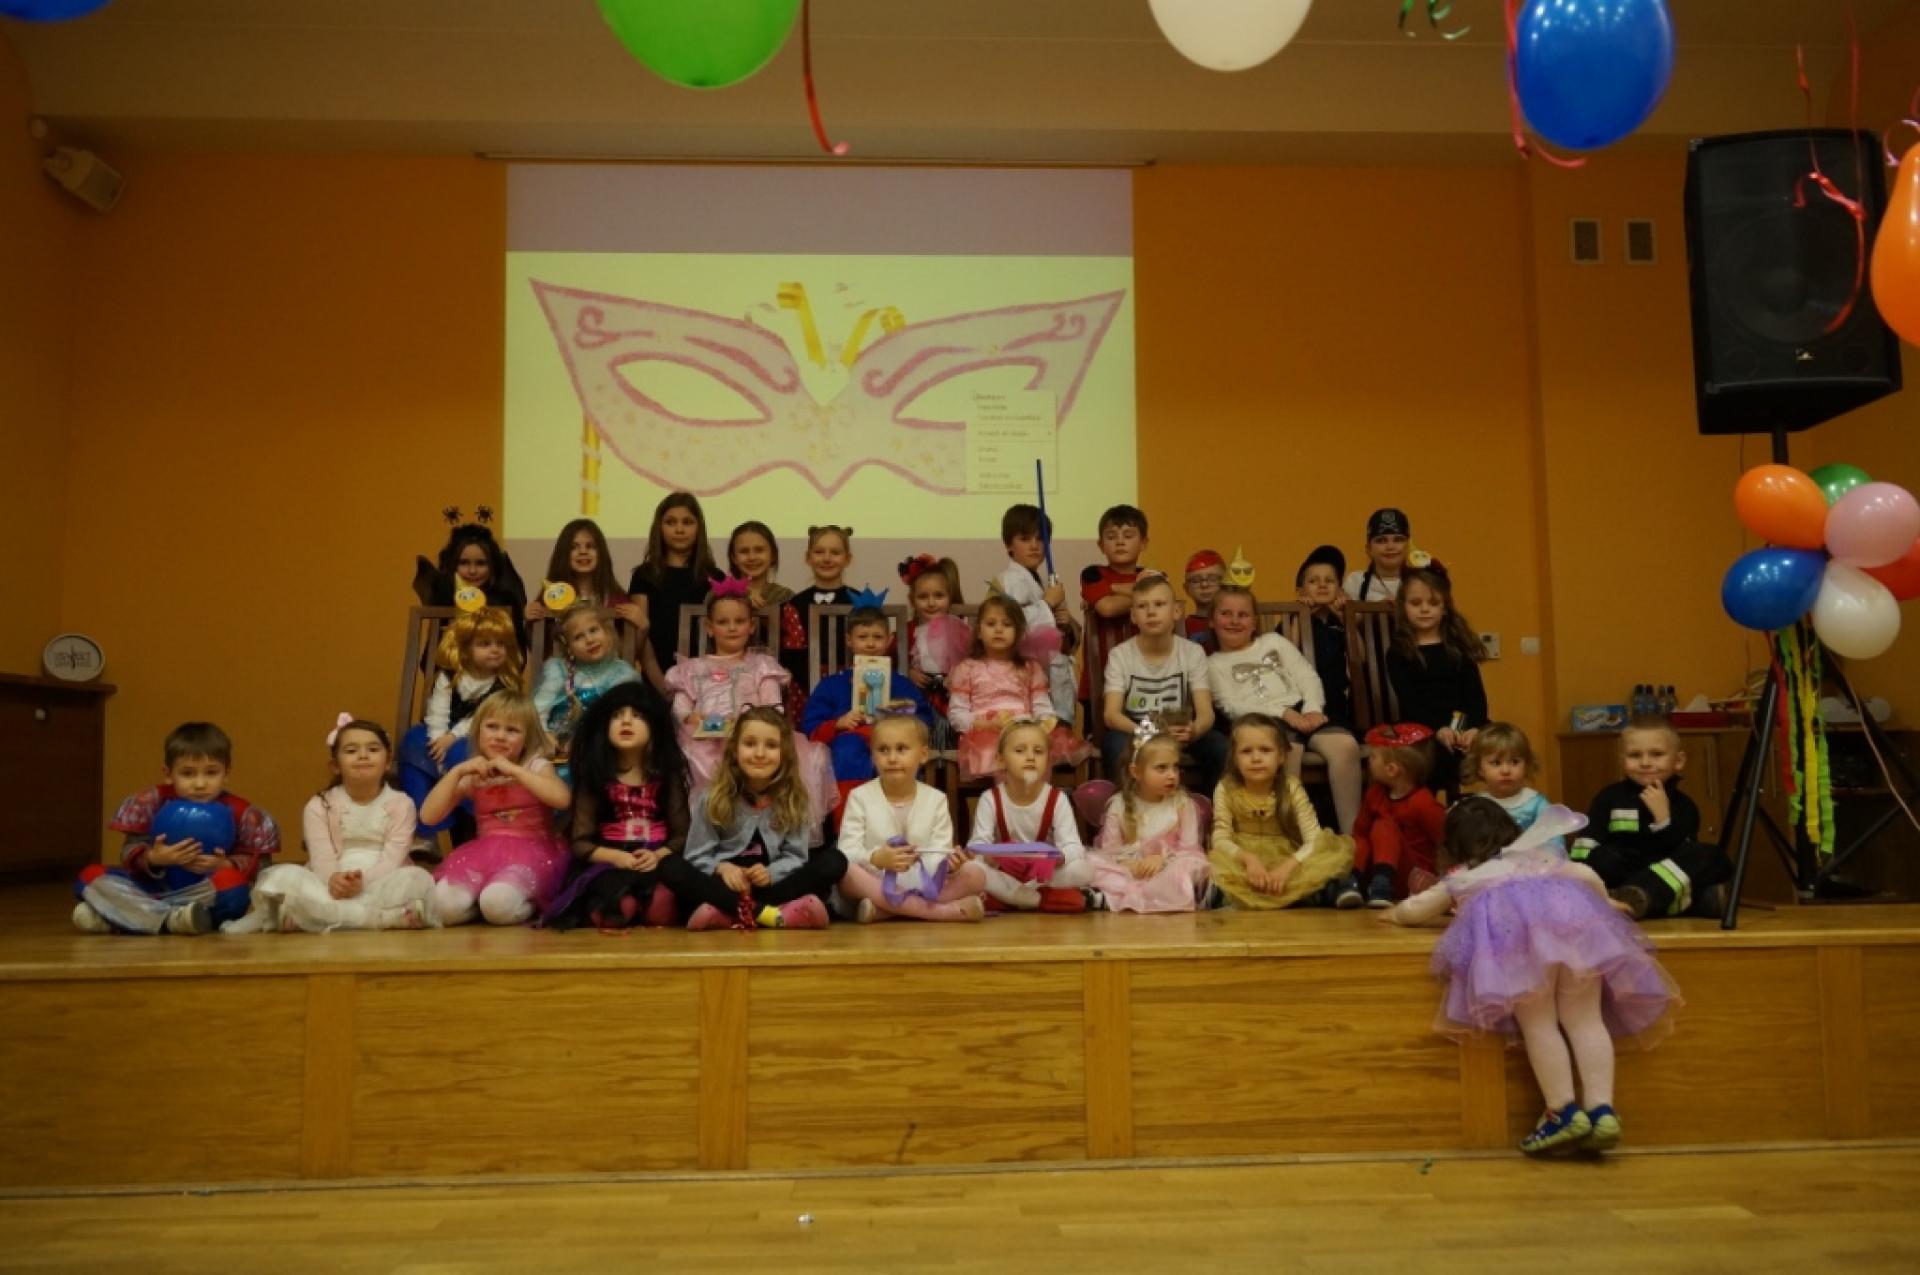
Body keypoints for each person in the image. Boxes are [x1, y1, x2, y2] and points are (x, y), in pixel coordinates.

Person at [1385, 798, 1680, 1156]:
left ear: (1455, 845)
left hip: (1522, 953)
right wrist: (1604, 902)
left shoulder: (1467, 877)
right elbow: (1586, 875)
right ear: (1511, 828)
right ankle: (1602, 1109)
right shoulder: (1545, 858)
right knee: (1586, 1021)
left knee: (1539, 1024)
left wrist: (1393, 915)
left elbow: (1416, 910)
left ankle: (1562, 1112)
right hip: (1578, 940)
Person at [224, 716, 433, 933]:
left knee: (415, 879)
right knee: (285, 877)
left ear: (388, 761)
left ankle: (309, 918)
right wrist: (333, 879)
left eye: (373, 749)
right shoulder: (319, 805)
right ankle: (387, 918)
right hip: (333, 879)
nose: (363, 755)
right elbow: (321, 855)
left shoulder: (402, 804)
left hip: (384, 878)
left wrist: (363, 881)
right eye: (351, 751)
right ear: (335, 765)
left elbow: (393, 857)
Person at [73, 722, 280, 935]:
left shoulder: (242, 812)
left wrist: (225, 864)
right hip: (153, 889)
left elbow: (261, 866)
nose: (200, 784)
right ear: (168, 773)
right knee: (90, 877)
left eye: (211, 773)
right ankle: (171, 920)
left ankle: (122, 918)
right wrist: (154, 857)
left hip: (204, 891)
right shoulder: (151, 803)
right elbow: (129, 851)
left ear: (226, 773)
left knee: (234, 886)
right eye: (188, 774)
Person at [655, 707, 844, 930]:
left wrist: (771, 873)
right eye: (750, 744)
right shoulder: (712, 797)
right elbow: (697, 855)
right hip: (724, 885)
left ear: (784, 753)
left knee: (835, 861)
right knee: (669, 866)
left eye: (771, 746)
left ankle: (730, 913)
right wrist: (722, 868)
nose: (760, 754)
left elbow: (796, 856)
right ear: (735, 750)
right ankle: (765, 913)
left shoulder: (794, 799)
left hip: (770, 884)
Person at [668, 584, 833, 822]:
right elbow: (680, 704)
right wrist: (690, 716)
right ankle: (715, 820)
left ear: (751, 625)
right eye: (723, 622)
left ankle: (765, 821)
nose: (732, 627)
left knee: (802, 756)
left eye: (739, 621)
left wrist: (752, 723)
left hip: (753, 735)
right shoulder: (692, 668)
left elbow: (773, 706)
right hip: (705, 737)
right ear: (709, 628)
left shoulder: (761, 666)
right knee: (696, 756)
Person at [1206, 584, 1362, 833]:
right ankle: (1292, 834)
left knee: (1345, 746)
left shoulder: (1274, 642)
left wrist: (1312, 708)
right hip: (1262, 721)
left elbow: (1307, 676)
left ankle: (1352, 835)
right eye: (1226, 614)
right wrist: (1283, 713)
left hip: (1303, 710)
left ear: (1254, 622)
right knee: (1285, 752)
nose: (1234, 621)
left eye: (1243, 615)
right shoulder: (1212, 664)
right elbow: (1230, 706)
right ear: (1212, 621)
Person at [541, 683, 691, 931]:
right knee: (617, 907)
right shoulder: (596, 775)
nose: (626, 721)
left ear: (655, 728)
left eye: (637, 716)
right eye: (617, 716)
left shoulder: (667, 775)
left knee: (662, 907)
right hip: (609, 860)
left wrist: (658, 855)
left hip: (655, 859)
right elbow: (580, 842)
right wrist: (617, 857)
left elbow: (682, 833)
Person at [422, 692, 572, 927]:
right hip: (482, 854)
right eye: (492, 727)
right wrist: (457, 772)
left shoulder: (535, 766)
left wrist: (516, 771)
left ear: (527, 738)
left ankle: (531, 904)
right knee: (442, 906)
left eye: (512, 730)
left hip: (532, 855)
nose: (500, 736)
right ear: (478, 731)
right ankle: (478, 907)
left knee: (497, 905)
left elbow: (562, 799)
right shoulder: (473, 775)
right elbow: (428, 816)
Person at [1570, 716, 1733, 920]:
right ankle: (1687, 902)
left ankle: (1635, 898)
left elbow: (1683, 853)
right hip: (1620, 873)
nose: (1645, 763)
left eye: (1657, 754)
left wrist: (1663, 819)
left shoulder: (1684, 805)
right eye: (1634, 755)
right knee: (1604, 857)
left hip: (1662, 877)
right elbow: (1587, 842)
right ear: (1622, 760)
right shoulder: (1609, 797)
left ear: (1679, 761)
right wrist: (1576, 881)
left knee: (1713, 856)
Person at [836, 715, 990, 923]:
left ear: (923, 755)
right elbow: (847, 851)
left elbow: (939, 850)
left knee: (976, 873)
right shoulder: (859, 796)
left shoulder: (936, 799)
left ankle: (886, 910)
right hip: (875, 879)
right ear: (872, 755)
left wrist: (948, 864)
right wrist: (875, 858)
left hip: (921, 882)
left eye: (901, 749)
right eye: (883, 750)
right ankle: (944, 912)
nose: (892, 758)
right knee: (846, 873)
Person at [397, 607, 524, 835]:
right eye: (485, 644)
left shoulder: (503, 684)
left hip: (477, 736)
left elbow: (484, 717)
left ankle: (477, 816)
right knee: (413, 742)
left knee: (463, 751)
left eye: (500, 644)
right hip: (440, 732)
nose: (495, 649)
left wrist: (452, 737)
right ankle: (424, 827)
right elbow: (437, 712)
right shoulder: (450, 676)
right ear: (466, 649)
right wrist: (438, 740)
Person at [1208, 715, 1354, 909]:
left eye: (1265, 750)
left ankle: (1331, 890)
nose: (1256, 758)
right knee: (1216, 868)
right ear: (1234, 758)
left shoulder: (1291, 788)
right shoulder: (1226, 788)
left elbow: (1314, 839)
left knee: (1325, 858)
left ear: (1282, 756)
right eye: (1246, 751)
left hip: (1286, 855)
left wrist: (1287, 868)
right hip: (1243, 856)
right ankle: (1228, 896)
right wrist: (1248, 860)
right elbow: (1220, 838)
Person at [1100, 571, 1226, 792]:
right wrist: (1149, 733)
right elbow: (1111, 715)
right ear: (1133, 616)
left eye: (1159, 604)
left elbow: (1206, 713)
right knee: (1113, 743)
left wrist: (1194, 730)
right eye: (1142, 606)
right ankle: (1128, 808)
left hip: (1180, 732)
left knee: (1220, 746)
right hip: (1138, 732)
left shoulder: (1192, 652)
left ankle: (1208, 807)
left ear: (1176, 611)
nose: (1151, 612)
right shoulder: (1120, 655)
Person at [800, 606, 934, 808]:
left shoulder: (902, 684)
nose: (870, 643)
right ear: (849, 640)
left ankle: (896, 817)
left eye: (877, 637)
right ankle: (849, 821)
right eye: (862, 637)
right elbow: (810, 726)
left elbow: (924, 719)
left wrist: (899, 718)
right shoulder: (831, 685)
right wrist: (837, 724)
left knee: (898, 754)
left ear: (889, 640)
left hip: (892, 742)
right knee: (847, 751)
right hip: (848, 744)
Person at [948, 595, 1091, 780]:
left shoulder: (1030, 668)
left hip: (1025, 730)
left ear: (1019, 632)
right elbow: (957, 713)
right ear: (979, 632)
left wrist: (1040, 724)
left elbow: (1042, 707)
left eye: (1007, 624)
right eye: (991, 624)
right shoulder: (967, 668)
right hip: (985, 733)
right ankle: (1004, 797)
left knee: (1032, 749)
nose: (999, 629)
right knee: (1002, 751)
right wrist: (983, 724)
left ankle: (1033, 796)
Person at [965, 719, 1102, 913]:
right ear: (1000, 760)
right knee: (972, 868)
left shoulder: (1057, 799)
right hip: (1005, 872)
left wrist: (1059, 858)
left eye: (1038, 751)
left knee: (1083, 869)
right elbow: (977, 845)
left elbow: (1073, 846)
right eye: (1020, 751)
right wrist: (988, 858)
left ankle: (1015, 897)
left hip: (1043, 875)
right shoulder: (990, 799)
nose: (1030, 757)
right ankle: (1038, 899)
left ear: (1048, 760)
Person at [1385, 565, 1488, 796]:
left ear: (1444, 607)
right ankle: (1432, 809)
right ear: (1403, 607)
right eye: (1416, 603)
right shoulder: (1399, 652)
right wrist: (1438, 729)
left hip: (1462, 723)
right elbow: (1410, 701)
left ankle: (1497, 806)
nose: (1425, 609)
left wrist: (1473, 728)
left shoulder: (1458, 648)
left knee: (1501, 742)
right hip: (1421, 727)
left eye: (1433, 603)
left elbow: (1475, 696)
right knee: (1435, 754)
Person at [1088, 723, 1211, 913]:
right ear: (1136, 772)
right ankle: (1110, 896)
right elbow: (1110, 851)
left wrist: (1162, 860)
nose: (1172, 775)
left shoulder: (1182, 804)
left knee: (1189, 868)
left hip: (1167, 867)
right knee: (1093, 865)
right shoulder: (1119, 805)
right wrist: (1131, 865)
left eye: (1175, 767)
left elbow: (1190, 849)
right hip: (1131, 869)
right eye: (1162, 768)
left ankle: (1122, 897)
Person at [1337, 722, 1447, 909]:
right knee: (1361, 838)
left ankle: (1382, 885)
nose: (1369, 761)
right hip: (1374, 870)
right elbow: (1360, 834)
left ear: (1391, 769)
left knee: (1383, 826)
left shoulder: (1423, 803)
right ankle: (1353, 882)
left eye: (1373, 757)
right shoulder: (1374, 794)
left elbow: (1445, 842)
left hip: (1413, 878)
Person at [627, 491, 725, 689]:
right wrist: (663, 687)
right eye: (670, 522)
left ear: (699, 528)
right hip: (656, 680)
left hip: (706, 683)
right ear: (659, 528)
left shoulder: (715, 577)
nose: (679, 529)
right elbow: (641, 635)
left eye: (687, 522)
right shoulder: (644, 575)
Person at [994, 503, 1077, 720]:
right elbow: (1009, 624)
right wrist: (1047, 604)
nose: (1034, 546)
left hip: (1052, 675)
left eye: (1040, 539)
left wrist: (1065, 622)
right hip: (1024, 677)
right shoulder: (1008, 581)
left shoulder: (1041, 581)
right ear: (1008, 544)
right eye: (1025, 539)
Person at [531, 603, 641, 765]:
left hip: (603, 752)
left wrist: (584, 742)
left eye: (593, 630)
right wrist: (546, 737)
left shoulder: (623, 675)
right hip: (556, 752)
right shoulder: (557, 670)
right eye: (578, 637)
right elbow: (537, 711)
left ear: (607, 632)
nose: (589, 640)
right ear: (568, 647)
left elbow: (625, 721)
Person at [777, 524, 858, 720]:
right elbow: (793, 654)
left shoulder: (860, 601)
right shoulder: (794, 604)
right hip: (807, 688)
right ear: (808, 557)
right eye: (819, 552)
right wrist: (819, 687)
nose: (827, 558)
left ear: (847, 558)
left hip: (852, 684)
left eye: (835, 552)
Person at [409, 506, 528, 624]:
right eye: (464, 563)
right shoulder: (442, 598)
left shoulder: (505, 600)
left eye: (481, 563)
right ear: (451, 564)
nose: (472, 571)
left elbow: (517, 635)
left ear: (493, 565)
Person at [524, 518, 643, 630]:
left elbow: (629, 643)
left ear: (601, 553)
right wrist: (528, 620)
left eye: (590, 546)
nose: (583, 551)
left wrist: (643, 627)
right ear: (563, 554)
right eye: (573, 547)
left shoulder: (618, 601)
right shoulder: (549, 598)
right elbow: (534, 642)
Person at [898, 553, 969, 730]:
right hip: (918, 696)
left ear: (949, 597)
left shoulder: (959, 629)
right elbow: (889, 660)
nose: (931, 603)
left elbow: (973, 659)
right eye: (923, 597)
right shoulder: (908, 630)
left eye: (939, 596)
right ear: (912, 600)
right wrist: (907, 671)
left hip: (953, 696)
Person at [1465, 722, 1558, 846]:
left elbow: (1554, 841)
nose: (1506, 771)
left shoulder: (1537, 804)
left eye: (1514, 762)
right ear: (1479, 769)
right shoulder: (1476, 806)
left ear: (1526, 765)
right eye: (1496, 763)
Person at [1295, 545, 1355, 730]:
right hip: (1299, 702)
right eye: (1313, 581)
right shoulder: (1294, 620)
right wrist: (1302, 614)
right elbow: (1287, 653)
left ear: (1340, 590)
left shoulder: (1339, 620)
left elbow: (1360, 656)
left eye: (1329, 581)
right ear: (1301, 591)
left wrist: (1343, 616)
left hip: (1336, 703)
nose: (1322, 585)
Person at [1344, 507, 1413, 602]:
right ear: (1368, 549)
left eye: (1398, 540)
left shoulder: (1423, 582)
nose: (1390, 547)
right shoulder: (1355, 582)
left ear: (1408, 546)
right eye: (1381, 541)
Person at [727, 520, 792, 613]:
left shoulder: (786, 597)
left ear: (773, 555)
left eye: (759, 550)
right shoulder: (718, 594)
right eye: (744, 551)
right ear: (734, 558)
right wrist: (743, 593)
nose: (752, 557)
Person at [1181, 549, 1225, 647]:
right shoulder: (1181, 627)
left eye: (1212, 579)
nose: (1204, 585)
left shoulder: (1232, 622)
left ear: (1225, 583)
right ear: (1186, 588)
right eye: (1196, 580)